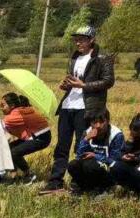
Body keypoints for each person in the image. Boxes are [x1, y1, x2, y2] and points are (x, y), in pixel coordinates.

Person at [41, 25, 115, 195]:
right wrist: (66, 85)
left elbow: (108, 81)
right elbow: (73, 81)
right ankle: (55, 181)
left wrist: (84, 85)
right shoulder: (74, 58)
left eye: (81, 39)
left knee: (81, 146)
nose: (78, 43)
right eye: (76, 39)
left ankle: (78, 182)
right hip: (68, 106)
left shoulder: (103, 58)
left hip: (86, 108)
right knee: (62, 146)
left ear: (92, 40)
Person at [66, 108, 124, 195]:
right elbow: (79, 156)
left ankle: (106, 188)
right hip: (91, 168)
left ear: (108, 121)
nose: (98, 126)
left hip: (108, 172)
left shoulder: (116, 135)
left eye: (101, 122)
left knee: (90, 165)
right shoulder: (87, 132)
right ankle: (85, 188)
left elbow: (115, 161)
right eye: (94, 122)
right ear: (90, 123)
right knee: (72, 165)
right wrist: (86, 139)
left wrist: (95, 156)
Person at [0, 92, 51, 181]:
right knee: (9, 149)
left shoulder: (14, 116)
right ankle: (14, 175)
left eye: (3, 105)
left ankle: (29, 175)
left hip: (40, 138)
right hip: (39, 135)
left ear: (12, 105)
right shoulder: (20, 110)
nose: (1, 108)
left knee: (14, 152)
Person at [110, 114, 140, 196]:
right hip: (134, 168)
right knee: (115, 165)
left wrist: (136, 159)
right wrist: (130, 140)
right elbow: (121, 152)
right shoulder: (133, 139)